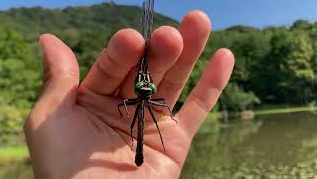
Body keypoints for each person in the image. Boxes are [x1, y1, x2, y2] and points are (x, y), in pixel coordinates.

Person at [24, 10, 235, 178]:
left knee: (145, 124)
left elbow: (145, 99)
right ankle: (139, 149)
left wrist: (151, 108)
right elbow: (148, 99)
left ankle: (140, 148)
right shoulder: (147, 93)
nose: (146, 87)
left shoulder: (144, 94)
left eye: (147, 88)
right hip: (142, 108)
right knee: (139, 123)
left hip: (142, 107)